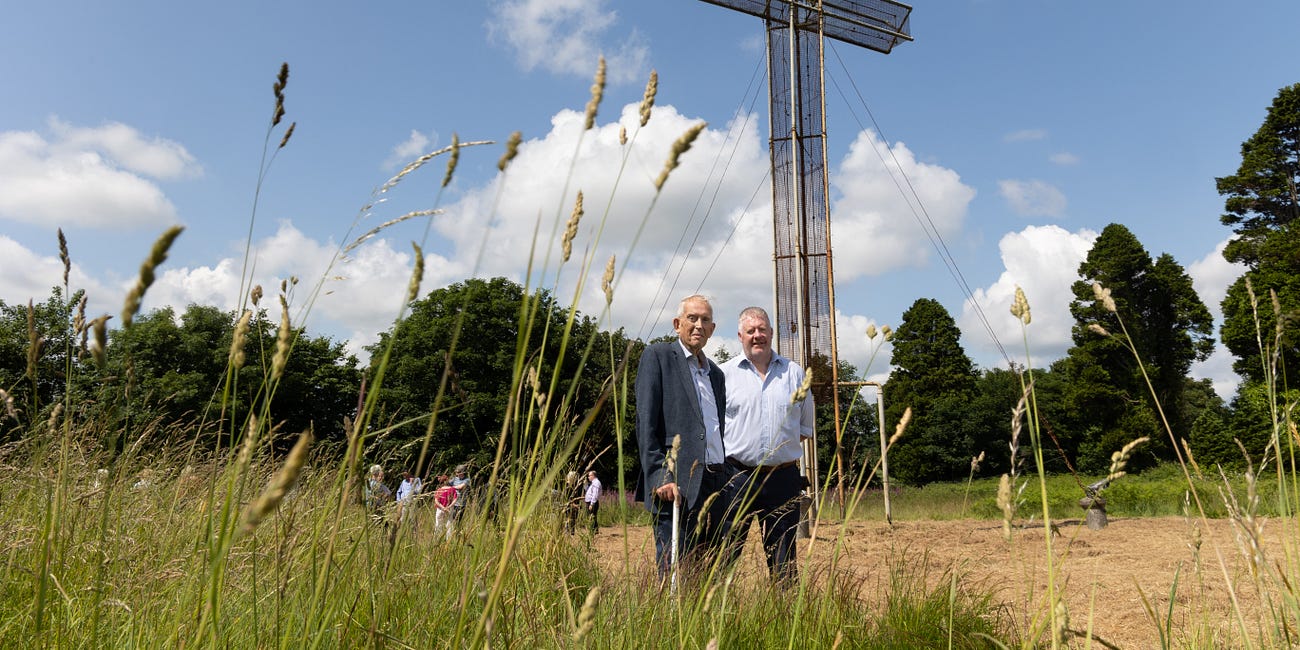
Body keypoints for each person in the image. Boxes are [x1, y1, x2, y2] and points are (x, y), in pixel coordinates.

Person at [635, 294, 733, 581]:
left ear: (712, 329)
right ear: (677, 323)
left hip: (715, 482)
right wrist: (660, 476)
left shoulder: (716, 373)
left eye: (705, 320)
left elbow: (713, 430)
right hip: (676, 482)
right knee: (674, 569)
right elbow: (645, 421)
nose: (698, 325)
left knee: (708, 572)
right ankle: (667, 626)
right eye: (692, 318)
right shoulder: (658, 356)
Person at [719, 306, 815, 583]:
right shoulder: (724, 375)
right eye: (751, 331)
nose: (757, 335)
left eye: (762, 329)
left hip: (783, 479)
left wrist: (774, 451)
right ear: (740, 336)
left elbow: (805, 429)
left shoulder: (795, 374)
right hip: (736, 477)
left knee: (784, 561)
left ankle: (784, 618)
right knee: (725, 554)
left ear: (771, 333)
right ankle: (718, 617)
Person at [432, 474, 459, 542]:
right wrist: (448, 507)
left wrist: (443, 508)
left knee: (438, 525)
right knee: (449, 525)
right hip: (449, 509)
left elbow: (436, 501)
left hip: (440, 510)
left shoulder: (439, 490)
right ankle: (448, 541)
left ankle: (437, 540)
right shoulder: (452, 489)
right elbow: (455, 499)